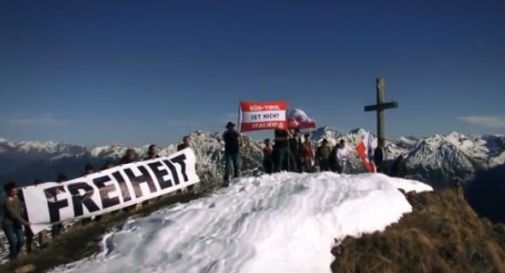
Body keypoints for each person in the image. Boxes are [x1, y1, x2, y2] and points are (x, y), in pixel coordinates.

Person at [2, 182, 29, 259]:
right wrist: (24, 222)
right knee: (13, 241)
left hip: (17, 222)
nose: (16, 190)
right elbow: (13, 214)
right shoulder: (6, 201)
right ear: (9, 191)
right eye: (14, 189)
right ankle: (13, 257)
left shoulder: (17, 197)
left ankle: (16, 254)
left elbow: (20, 211)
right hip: (8, 223)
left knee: (21, 240)